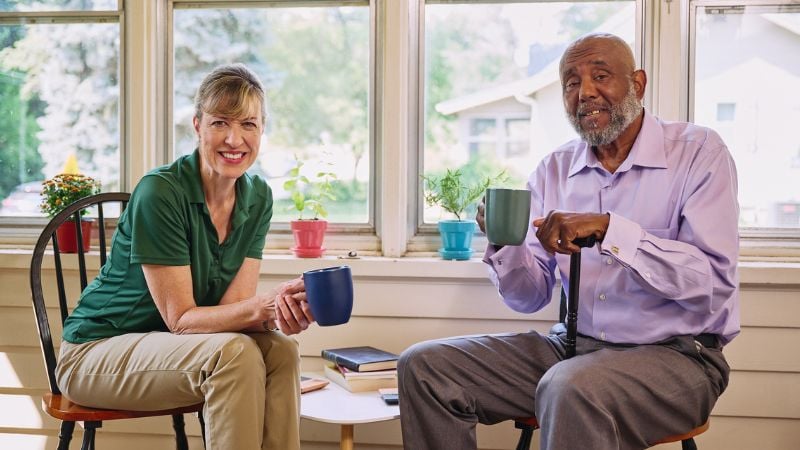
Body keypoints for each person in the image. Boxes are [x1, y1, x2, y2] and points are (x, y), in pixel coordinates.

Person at [398, 33, 739, 450]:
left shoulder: (698, 152)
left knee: (570, 387)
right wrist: (507, 242)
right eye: (571, 83)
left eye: (600, 76)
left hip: (681, 358)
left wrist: (609, 230)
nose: (585, 93)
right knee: (425, 366)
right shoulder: (553, 170)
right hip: (573, 349)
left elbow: (712, 286)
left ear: (638, 84)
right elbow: (529, 297)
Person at [56, 63, 315, 450]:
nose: (234, 138)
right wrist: (262, 307)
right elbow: (181, 320)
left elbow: (232, 313)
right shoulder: (161, 192)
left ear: (262, 130)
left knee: (281, 351)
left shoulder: (257, 196)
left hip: (173, 349)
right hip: (95, 353)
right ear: (197, 125)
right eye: (220, 123)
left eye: (248, 124)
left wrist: (278, 309)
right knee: (233, 355)